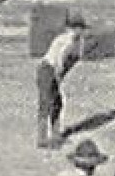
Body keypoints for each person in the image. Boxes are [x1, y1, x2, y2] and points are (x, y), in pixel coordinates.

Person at [35, 14, 88, 148]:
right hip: (47, 69)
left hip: (54, 71)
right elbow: (60, 59)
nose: (81, 31)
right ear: (73, 28)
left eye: (82, 29)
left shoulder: (77, 42)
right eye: (78, 28)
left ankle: (55, 136)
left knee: (57, 103)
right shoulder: (66, 40)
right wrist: (58, 76)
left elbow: (72, 61)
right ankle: (42, 139)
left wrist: (61, 76)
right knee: (47, 102)